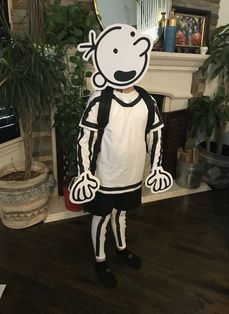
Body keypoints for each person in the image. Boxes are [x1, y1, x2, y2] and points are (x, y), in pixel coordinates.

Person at [69, 24, 173, 287]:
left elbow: (156, 135)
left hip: (133, 175)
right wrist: (84, 173)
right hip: (105, 177)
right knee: (101, 216)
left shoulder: (148, 101)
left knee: (122, 214)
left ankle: (122, 248)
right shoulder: (99, 101)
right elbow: (85, 139)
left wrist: (157, 168)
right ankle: (100, 260)